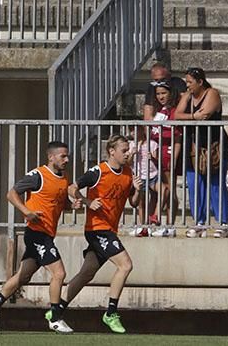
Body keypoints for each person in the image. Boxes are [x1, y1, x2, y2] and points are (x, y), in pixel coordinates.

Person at [0, 141, 80, 333]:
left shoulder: (63, 178)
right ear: (51, 157)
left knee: (22, 276)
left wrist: (72, 206)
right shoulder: (38, 175)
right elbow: (11, 194)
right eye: (63, 156)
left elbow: (58, 202)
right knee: (59, 274)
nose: (66, 160)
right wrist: (27, 211)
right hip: (36, 233)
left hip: (47, 234)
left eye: (67, 156)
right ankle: (55, 317)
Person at [55, 134, 142, 335]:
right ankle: (110, 313)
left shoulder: (128, 173)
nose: (128, 153)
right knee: (125, 265)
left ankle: (57, 309)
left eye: (128, 150)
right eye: (124, 150)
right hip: (97, 229)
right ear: (112, 151)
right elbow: (72, 188)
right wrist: (87, 202)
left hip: (110, 230)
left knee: (86, 273)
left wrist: (138, 190)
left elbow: (135, 203)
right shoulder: (98, 171)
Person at [174, 67, 228, 238]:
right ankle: (200, 222)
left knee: (215, 184)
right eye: (186, 82)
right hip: (193, 147)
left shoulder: (211, 93)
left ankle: (223, 222)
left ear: (200, 82)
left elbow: (205, 114)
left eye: (190, 82)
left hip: (214, 147)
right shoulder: (187, 96)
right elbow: (177, 115)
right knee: (194, 185)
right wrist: (192, 117)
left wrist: (191, 116)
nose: (188, 85)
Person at [148, 80, 182, 236]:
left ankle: (170, 224)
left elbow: (177, 139)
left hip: (168, 153)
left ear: (171, 93)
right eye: (158, 93)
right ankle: (156, 222)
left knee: (170, 189)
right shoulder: (158, 110)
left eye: (164, 93)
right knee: (159, 190)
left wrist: (174, 159)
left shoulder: (175, 111)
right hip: (156, 153)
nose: (161, 96)